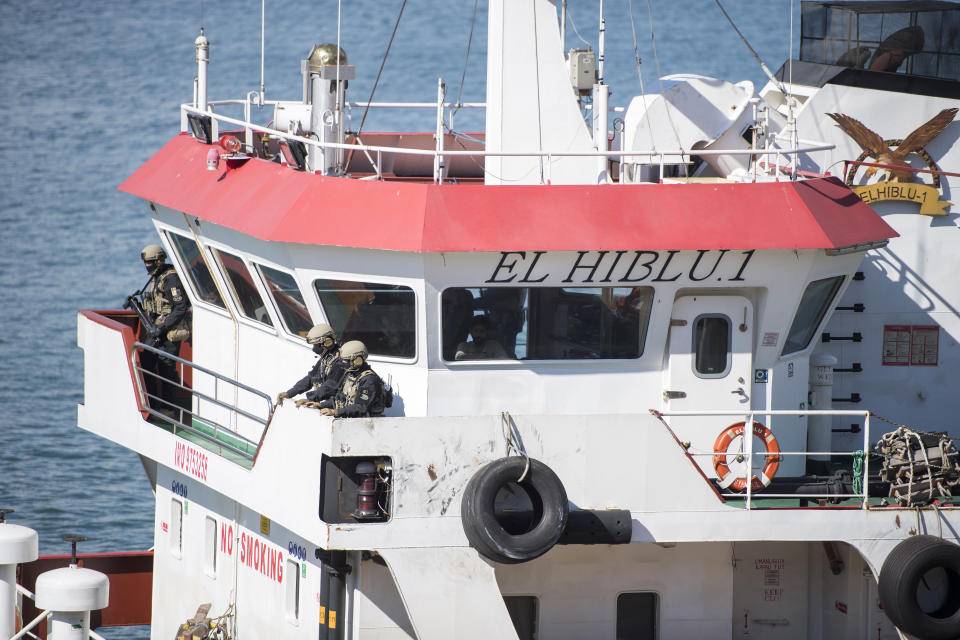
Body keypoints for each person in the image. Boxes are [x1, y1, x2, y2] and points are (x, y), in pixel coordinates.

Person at [137, 244, 191, 418]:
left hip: (168, 331)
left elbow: (180, 307)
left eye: (150, 262)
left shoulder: (170, 279)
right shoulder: (157, 276)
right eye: (146, 262)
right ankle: (154, 405)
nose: (147, 266)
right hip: (157, 329)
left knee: (166, 368)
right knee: (147, 363)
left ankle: (170, 408)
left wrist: (162, 328)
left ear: (159, 261)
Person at [276, 323, 345, 407]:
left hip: (335, 408)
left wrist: (311, 399)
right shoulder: (327, 358)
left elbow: (330, 386)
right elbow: (311, 378)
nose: (314, 348)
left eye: (316, 345)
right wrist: (290, 393)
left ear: (327, 342)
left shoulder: (341, 361)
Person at [312, 340, 386, 417]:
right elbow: (339, 399)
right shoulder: (351, 374)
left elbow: (360, 408)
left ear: (358, 360)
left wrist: (335, 412)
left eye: (346, 360)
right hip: (349, 420)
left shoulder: (369, 380)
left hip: (366, 424)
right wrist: (320, 405)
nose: (343, 363)